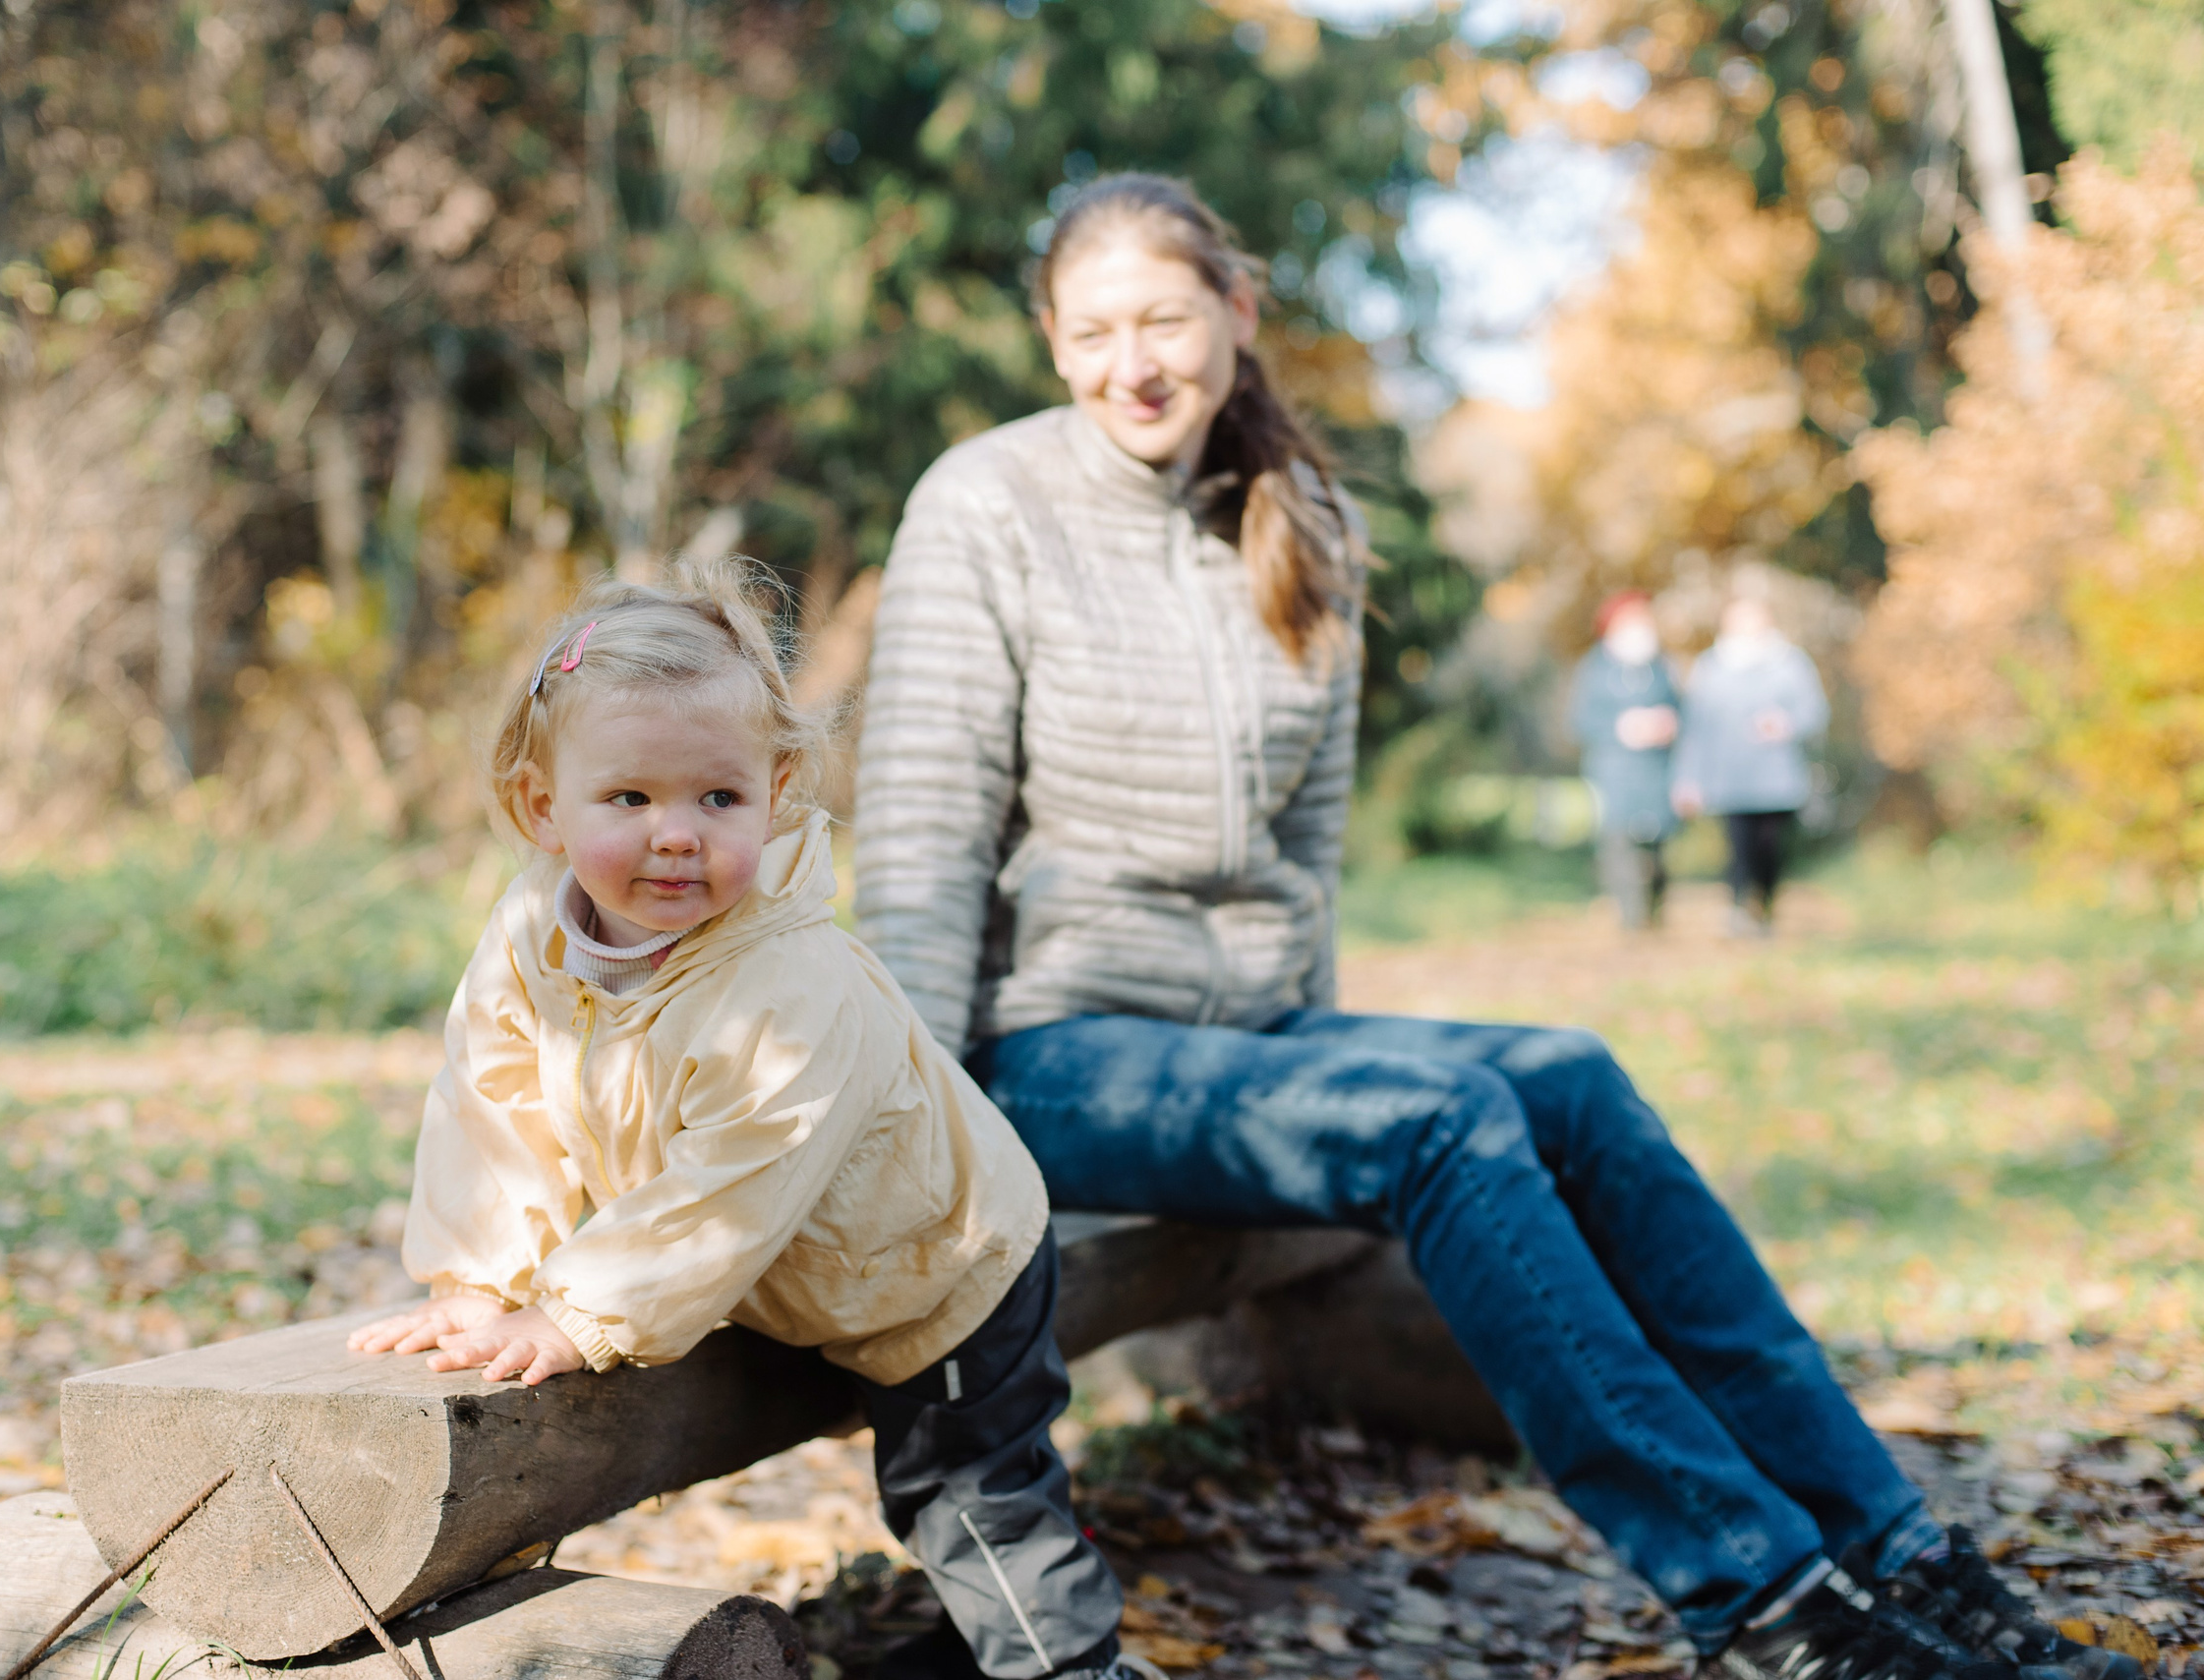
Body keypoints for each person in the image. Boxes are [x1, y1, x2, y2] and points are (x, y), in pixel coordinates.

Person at [853, 172, 2131, 1680]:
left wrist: (1310, 1067)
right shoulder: (988, 504)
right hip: (1051, 1058)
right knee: (1442, 1120)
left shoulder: (1304, 515)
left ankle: (1896, 1549)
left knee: (1571, 1075)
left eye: (1162, 318)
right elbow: (925, 848)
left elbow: (1306, 848)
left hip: (1250, 1041)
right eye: (1088, 331)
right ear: (1051, 344)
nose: (1130, 362)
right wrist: (907, 1142)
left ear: (1237, 312)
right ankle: (1770, 1607)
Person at [349, 558, 1132, 1680]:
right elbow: (493, 1095)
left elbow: (734, 1182)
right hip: (795, 1274)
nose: (678, 833)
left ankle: (1070, 1663)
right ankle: (977, 1646)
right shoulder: (533, 928)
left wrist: (576, 1312)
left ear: (775, 792)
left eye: (718, 798)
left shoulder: (788, 981)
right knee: (938, 1494)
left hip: (941, 1264)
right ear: (542, 806)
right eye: (630, 798)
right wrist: (481, 1276)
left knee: (963, 1490)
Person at [1671, 595, 1830, 937]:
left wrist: (1787, 723)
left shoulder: (1790, 663)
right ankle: (1741, 910)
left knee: (1769, 850)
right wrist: (1688, 779)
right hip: (1728, 778)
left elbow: (1815, 712)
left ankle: (1766, 905)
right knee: (1738, 849)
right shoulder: (1710, 666)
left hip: (1778, 778)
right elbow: (1696, 728)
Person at [1571, 591, 1683, 930]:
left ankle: (1654, 909)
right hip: (1614, 770)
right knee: (1619, 843)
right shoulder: (1595, 668)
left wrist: (1668, 723)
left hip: (1657, 769)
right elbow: (1580, 720)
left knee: (1656, 846)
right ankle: (1630, 916)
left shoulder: (1661, 666)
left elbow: (1682, 708)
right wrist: (1622, 728)